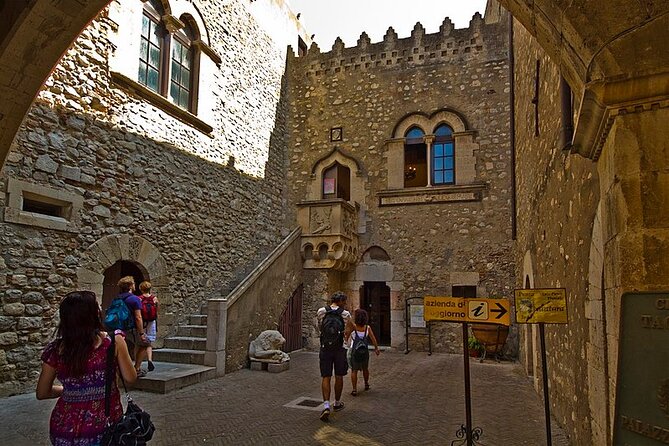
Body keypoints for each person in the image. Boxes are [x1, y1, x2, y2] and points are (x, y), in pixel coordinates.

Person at [36, 290, 137, 445]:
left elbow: (42, 392)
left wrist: (70, 391)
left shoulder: (55, 350)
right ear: (94, 314)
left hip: (64, 426)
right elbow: (130, 378)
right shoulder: (113, 342)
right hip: (103, 426)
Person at [316, 291, 353, 422]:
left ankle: (326, 405)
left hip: (325, 348)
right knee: (339, 376)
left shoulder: (321, 311)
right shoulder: (345, 314)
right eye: (344, 301)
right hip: (339, 349)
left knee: (325, 376)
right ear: (341, 301)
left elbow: (319, 328)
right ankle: (336, 403)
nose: (345, 304)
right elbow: (347, 331)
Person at [116, 276, 150, 377]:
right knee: (145, 344)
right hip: (131, 328)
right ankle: (136, 369)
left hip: (119, 328)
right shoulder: (134, 299)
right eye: (133, 283)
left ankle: (122, 369)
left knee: (125, 348)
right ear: (130, 286)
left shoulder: (117, 298)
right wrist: (142, 333)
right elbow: (138, 317)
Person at [347, 308, 380, 396]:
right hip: (364, 351)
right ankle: (366, 383)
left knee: (354, 370)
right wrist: (376, 348)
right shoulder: (367, 328)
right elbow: (373, 339)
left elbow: (346, 336)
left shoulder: (353, 327)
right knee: (365, 368)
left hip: (354, 351)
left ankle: (354, 389)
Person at [138, 281, 159, 372]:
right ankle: (150, 360)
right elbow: (157, 309)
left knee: (139, 344)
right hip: (151, 322)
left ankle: (138, 363)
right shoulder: (154, 298)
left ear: (141, 289)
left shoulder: (139, 298)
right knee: (149, 343)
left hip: (142, 322)